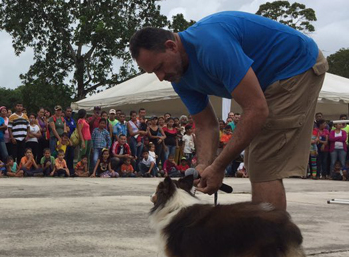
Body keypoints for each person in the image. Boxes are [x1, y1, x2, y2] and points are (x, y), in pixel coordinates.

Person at [131, 11, 328, 212]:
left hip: (296, 66)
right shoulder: (178, 78)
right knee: (256, 161)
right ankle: (265, 237)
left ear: (171, 46)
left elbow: (256, 109)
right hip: (268, 81)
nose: (161, 77)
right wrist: (204, 165)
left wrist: (218, 166)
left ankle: (270, 241)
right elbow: (205, 124)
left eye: (160, 67)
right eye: (153, 72)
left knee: (263, 163)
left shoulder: (210, 46)